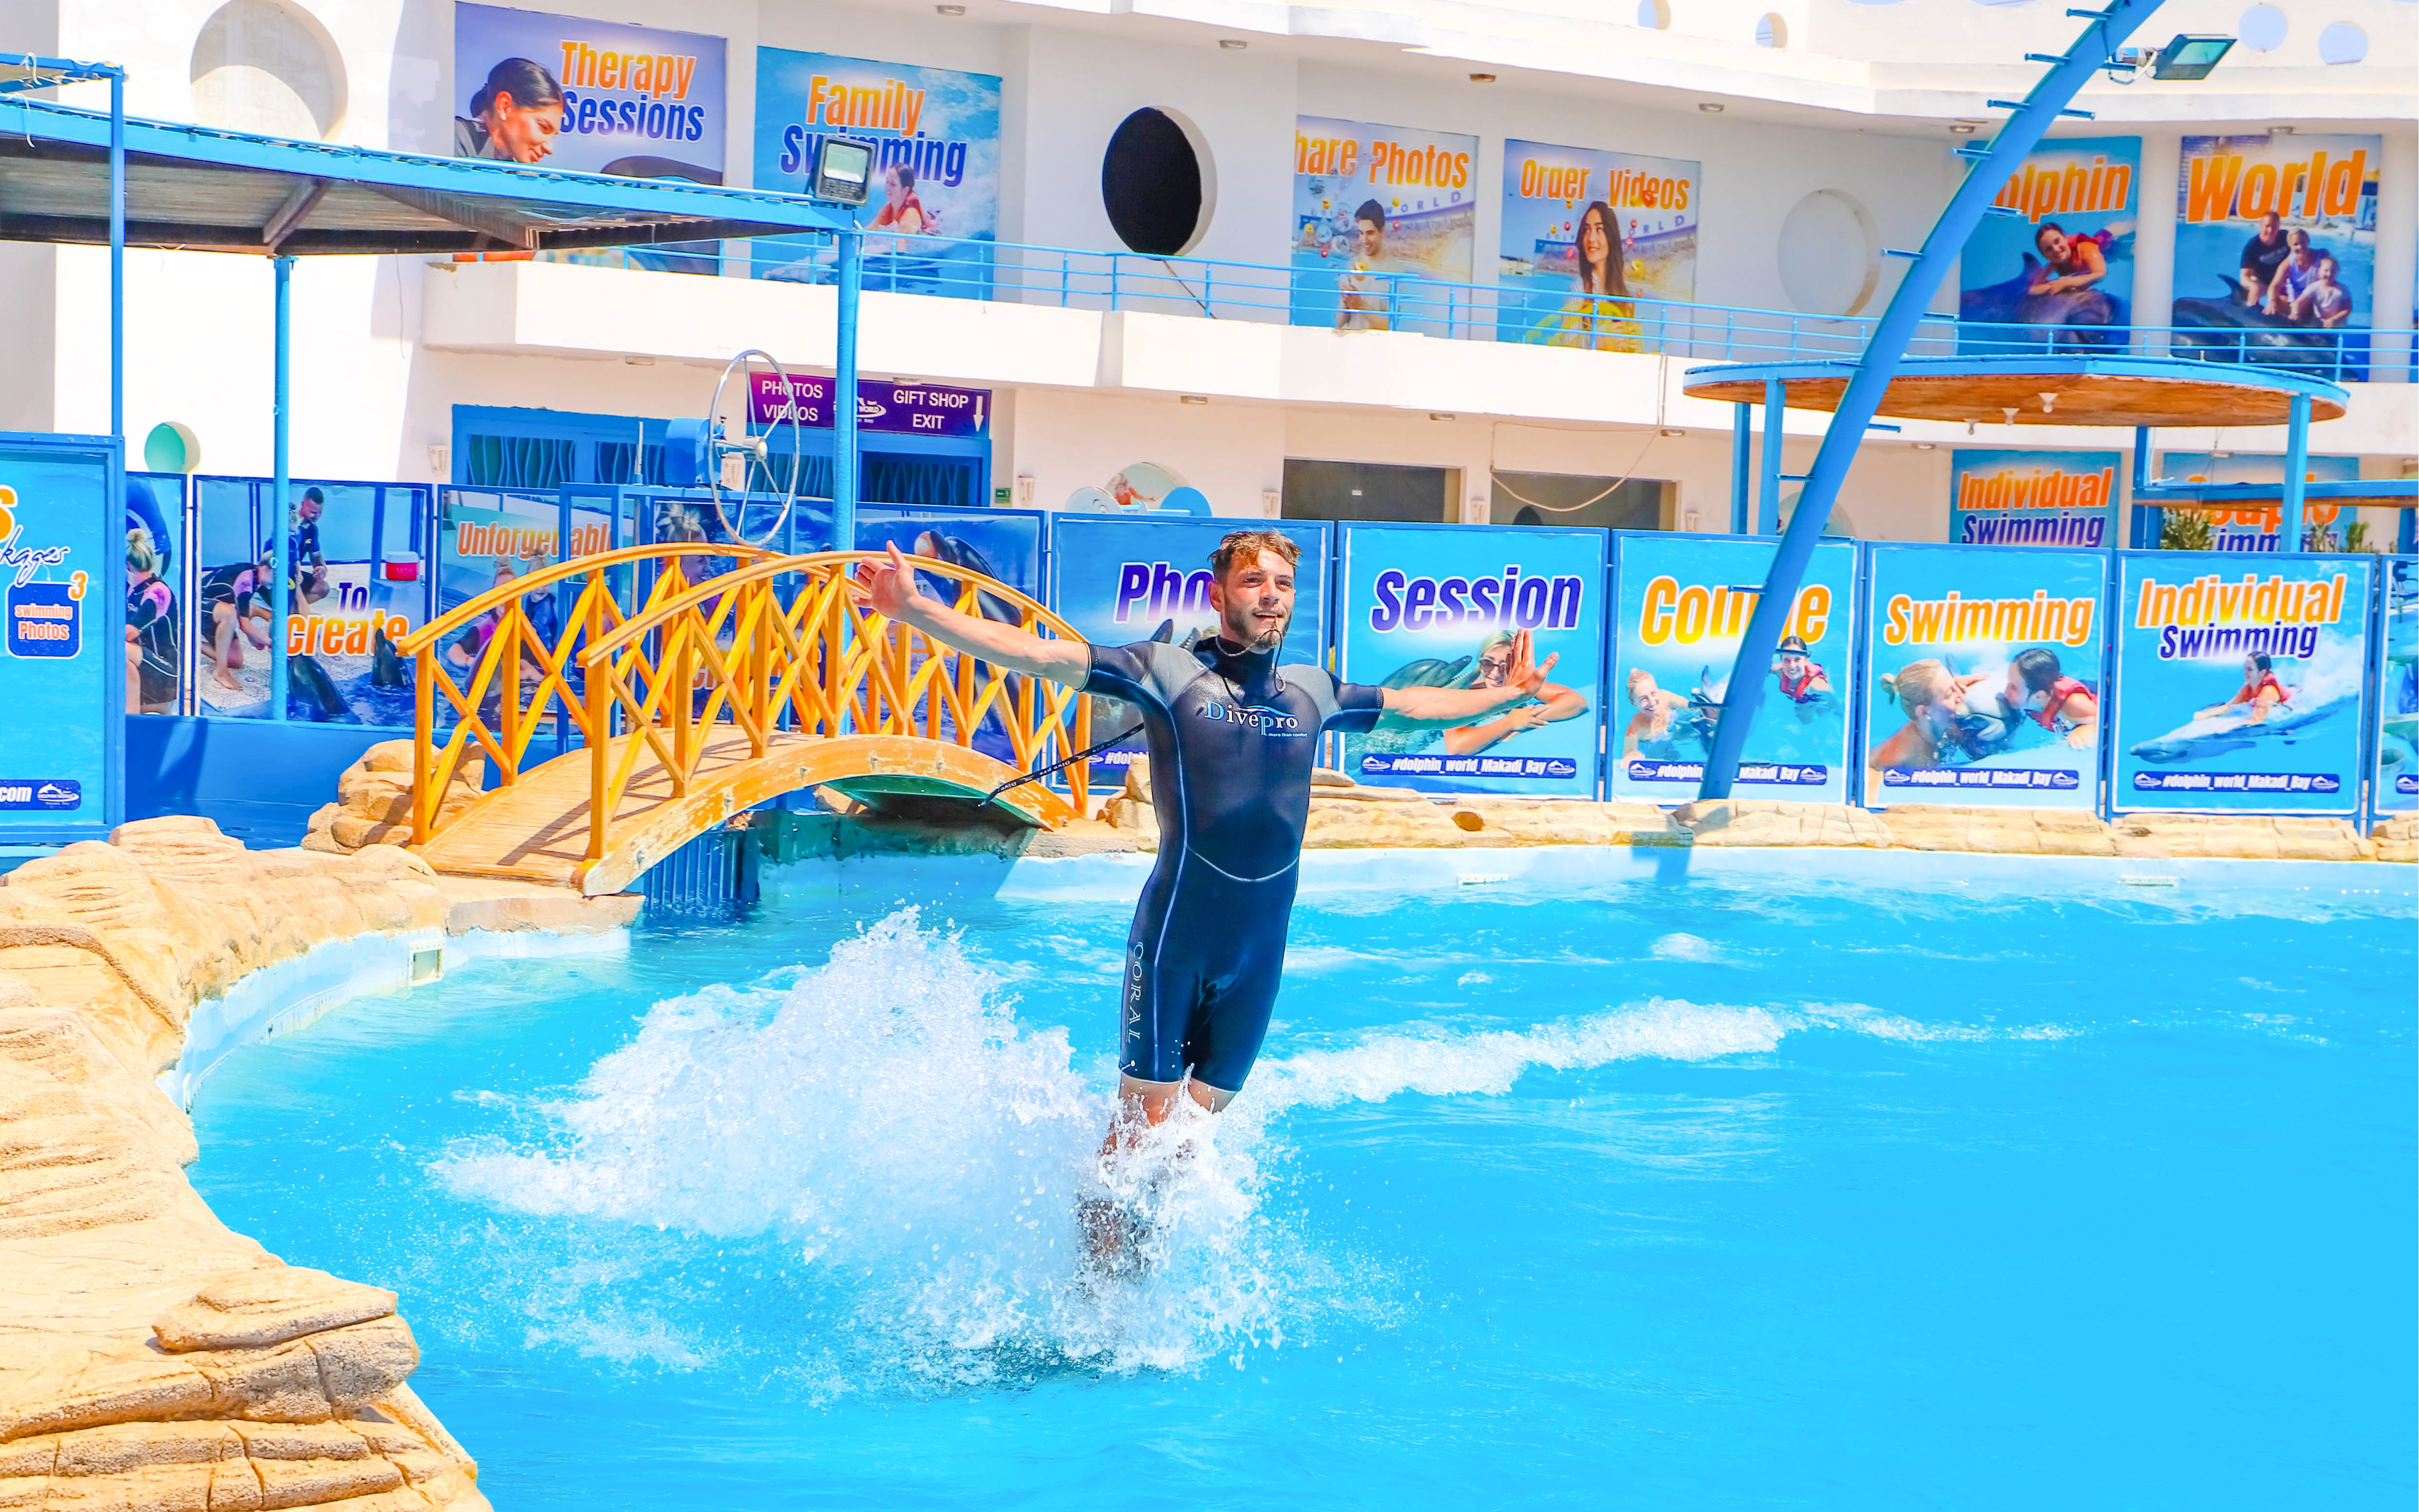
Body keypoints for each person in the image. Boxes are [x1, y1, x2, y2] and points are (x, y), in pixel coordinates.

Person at [849, 530, 1562, 1255]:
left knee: (1191, 1137)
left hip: (1259, 951)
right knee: (1141, 1129)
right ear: (1218, 594)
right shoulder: (1167, 673)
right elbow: (1038, 654)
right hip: (1177, 938)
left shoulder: (1312, 691)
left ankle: (1139, 1284)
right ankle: (1092, 1290)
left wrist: (1506, 694)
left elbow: (1414, 705)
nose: (1271, 596)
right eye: (1254, 581)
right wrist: (916, 610)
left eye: (1282, 583)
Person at [1440, 630, 1588, 756]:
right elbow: (1456, 747)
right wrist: (1508, 723)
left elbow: (1576, 702)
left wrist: (1528, 718)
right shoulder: (1467, 693)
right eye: (1488, 663)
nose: (1495, 673)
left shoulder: (1522, 686)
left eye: (1505, 666)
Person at [1535, 201, 1640, 352]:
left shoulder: (1624, 295)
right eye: (1587, 230)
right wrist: (1601, 343)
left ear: (1611, 236)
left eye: (1599, 229)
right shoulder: (1579, 290)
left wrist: (1630, 345)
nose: (1591, 238)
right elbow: (1568, 347)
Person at [1868, 659, 1998, 771]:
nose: (1961, 694)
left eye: (1955, 684)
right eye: (1950, 694)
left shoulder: (1936, 722)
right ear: (1924, 711)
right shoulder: (1905, 758)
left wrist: (1951, 687)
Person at [454, 58, 564, 165]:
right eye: (543, 127)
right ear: (505, 106)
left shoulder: (515, 170)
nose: (550, 149)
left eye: (553, 136)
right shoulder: (455, 137)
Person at [199, 549, 274, 694]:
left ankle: (189, 643)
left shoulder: (256, 577)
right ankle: (221, 673)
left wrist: (254, 638)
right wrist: (272, 643)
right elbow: (244, 624)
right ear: (265, 569)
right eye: (276, 575)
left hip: (213, 610)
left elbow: (243, 616)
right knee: (229, 613)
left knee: (235, 661)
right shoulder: (246, 581)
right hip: (195, 606)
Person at [124, 528, 179, 715]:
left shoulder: (158, 592)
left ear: (128, 565)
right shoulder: (133, 590)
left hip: (166, 672)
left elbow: (129, 632)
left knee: (121, 649)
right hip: (146, 668)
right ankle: (131, 711)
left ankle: (131, 716)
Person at [2005, 647, 2097, 748]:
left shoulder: (2074, 703)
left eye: (2014, 688)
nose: (2006, 691)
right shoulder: (2032, 694)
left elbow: (2102, 723)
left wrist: (2083, 729)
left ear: (2038, 697)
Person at [1336, 200, 1391, 332]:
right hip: (1350, 340)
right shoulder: (1352, 264)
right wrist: (1346, 302)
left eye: (1370, 233)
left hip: (1377, 343)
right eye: (1361, 233)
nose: (1364, 240)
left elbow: (1389, 327)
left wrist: (1360, 304)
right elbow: (1340, 323)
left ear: (1382, 231)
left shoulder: (1395, 271)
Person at [2199, 651, 2290, 724]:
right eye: (2245, 668)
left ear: (2262, 673)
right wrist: (2206, 715)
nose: (2245, 673)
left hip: (2289, 700)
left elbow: (2257, 721)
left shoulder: (2269, 691)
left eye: (2250, 670)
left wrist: (2230, 727)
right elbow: (2229, 706)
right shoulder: (2247, 689)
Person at [1621, 667, 1692, 758]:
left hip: (1674, 733)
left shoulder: (1666, 698)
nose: (1652, 702)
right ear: (1633, 703)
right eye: (1644, 699)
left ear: (1658, 690)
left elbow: (1690, 706)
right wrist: (1633, 756)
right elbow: (1628, 755)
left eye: (1654, 693)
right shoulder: (1636, 727)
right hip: (1653, 746)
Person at [280, 486, 330, 608]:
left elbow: (316, 556)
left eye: (319, 513)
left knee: (323, 588)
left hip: (296, 575)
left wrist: (322, 569)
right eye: (313, 513)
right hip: (279, 575)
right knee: (294, 579)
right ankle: (292, 607)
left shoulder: (312, 528)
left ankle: (294, 609)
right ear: (303, 505)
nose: (316, 517)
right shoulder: (290, 524)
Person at [2262, 229, 2320, 319]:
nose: (2300, 247)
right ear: (2290, 246)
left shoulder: (2321, 257)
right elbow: (2275, 285)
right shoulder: (2288, 263)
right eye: (2296, 244)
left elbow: (2331, 268)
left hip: (2314, 303)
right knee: (2277, 301)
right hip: (2295, 304)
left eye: (2303, 242)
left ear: (2308, 242)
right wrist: (2272, 301)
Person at [870, 162, 939, 237]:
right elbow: (867, 232)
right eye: (887, 182)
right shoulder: (889, 209)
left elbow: (901, 243)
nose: (888, 187)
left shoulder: (910, 216)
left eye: (893, 184)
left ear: (905, 190)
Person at [2237, 211, 2290, 307]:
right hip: (2263, 283)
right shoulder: (2252, 247)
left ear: (2279, 227)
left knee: (2283, 303)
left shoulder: (2286, 238)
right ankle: (2251, 310)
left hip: (2282, 283)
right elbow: (2243, 277)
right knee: (2249, 290)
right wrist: (2253, 287)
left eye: (2274, 227)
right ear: (2261, 225)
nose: (2270, 230)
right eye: (2267, 226)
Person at [2289, 255, 2355, 330]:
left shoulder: (2343, 290)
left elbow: (2347, 310)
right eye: (2326, 271)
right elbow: (2298, 302)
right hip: (2319, 323)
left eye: (2333, 271)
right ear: (2319, 271)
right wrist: (2295, 313)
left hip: (2336, 324)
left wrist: (2332, 320)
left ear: (2337, 272)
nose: (2329, 274)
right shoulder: (2315, 287)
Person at [1770, 634, 1831, 705]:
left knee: (1802, 709)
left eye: (1797, 659)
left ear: (1806, 661)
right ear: (1782, 661)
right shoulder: (1779, 671)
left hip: (1811, 700)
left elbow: (1836, 706)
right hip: (1795, 699)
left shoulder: (1817, 685)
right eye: (1787, 660)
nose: (1792, 666)